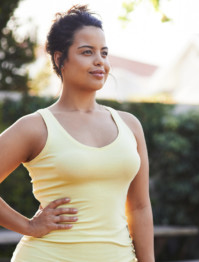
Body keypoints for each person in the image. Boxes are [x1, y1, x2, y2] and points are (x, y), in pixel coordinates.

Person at [0, 5, 154, 262]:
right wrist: (28, 226)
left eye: (104, 53)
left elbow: (139, 207)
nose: (100, 61)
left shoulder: (130, 125)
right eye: (87, 52)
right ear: (60, 59)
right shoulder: (36, 127)